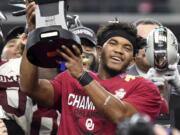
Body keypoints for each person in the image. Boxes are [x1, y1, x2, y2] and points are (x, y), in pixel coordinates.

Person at [20, 9, 164, 133]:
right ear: (99, 51)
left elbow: (121, 116)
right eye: (113, 43)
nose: (119, 50)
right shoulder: (69, 78)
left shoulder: (144, 87)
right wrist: (34, 33)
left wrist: (82, 76)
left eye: (127, 48)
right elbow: (29, 87)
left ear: (132, 60)